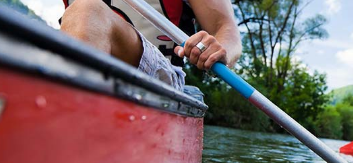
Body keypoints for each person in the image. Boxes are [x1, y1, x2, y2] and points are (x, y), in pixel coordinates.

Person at [59, 0, 242, 92]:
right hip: (75, 60)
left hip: (162, 75)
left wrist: (218, 50)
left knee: (87, 11)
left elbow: (226, 28)